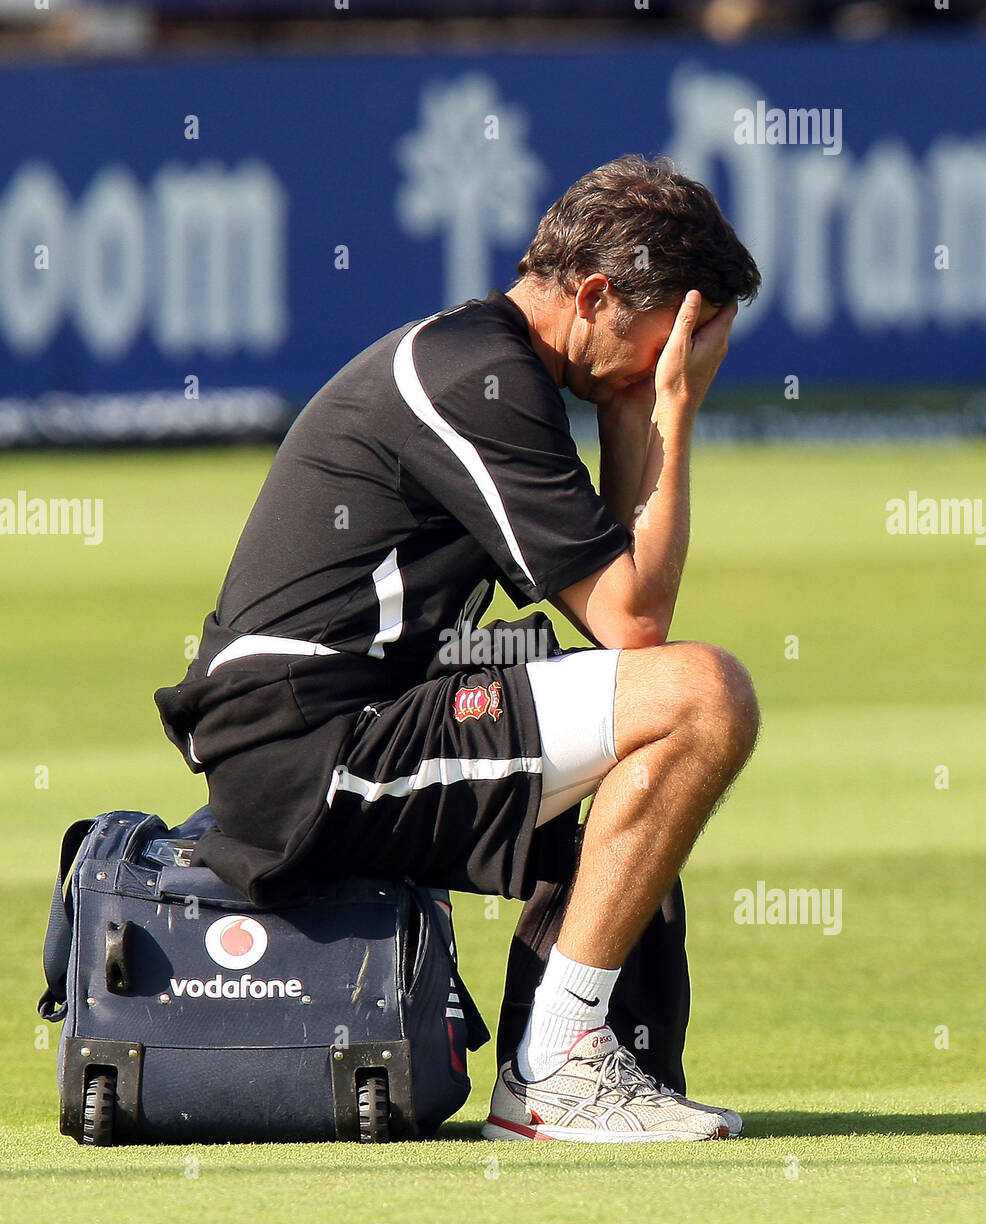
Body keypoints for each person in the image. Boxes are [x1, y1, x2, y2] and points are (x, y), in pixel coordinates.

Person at [155, 153, 762, 1144]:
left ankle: (585, 1065)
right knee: (701, 695)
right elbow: (632, 621)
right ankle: (556, 1067)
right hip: (310, 745)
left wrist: (630, 409)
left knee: (637, 758)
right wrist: (670, 413)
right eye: (665, 343)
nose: (669, 364)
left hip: (345, 718)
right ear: (597, 295)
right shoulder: (477, 376)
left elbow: (617, 619)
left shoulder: (483, 362)